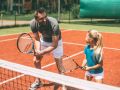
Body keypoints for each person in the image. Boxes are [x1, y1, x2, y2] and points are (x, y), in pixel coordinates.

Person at [29, 7, 65, 90]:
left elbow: (54, 45)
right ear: (36, 19)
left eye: (45, 17)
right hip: (44, 40)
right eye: (41, 18)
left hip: (56, 42)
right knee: (36, 60)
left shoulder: (54, 23)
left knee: (59, 64)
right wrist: (38, 50)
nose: (45, 19)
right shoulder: (33, 24)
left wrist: (42, 52)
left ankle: (64, 84)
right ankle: (38, 81)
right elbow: (37, 39)